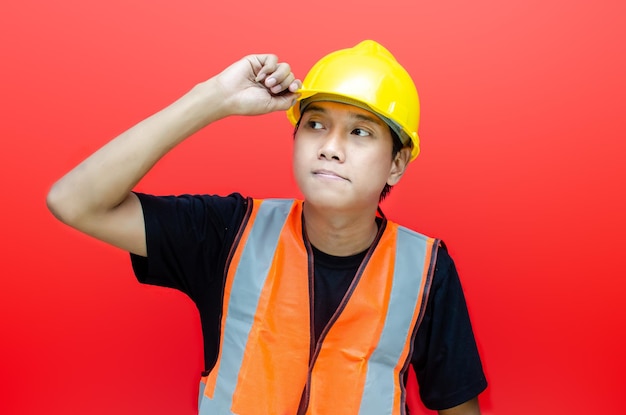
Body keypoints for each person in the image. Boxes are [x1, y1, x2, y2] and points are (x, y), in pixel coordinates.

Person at [47, 40, 487, 414]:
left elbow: (458, 406)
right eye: (315, 124)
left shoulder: (427, 269)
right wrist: (214, 97)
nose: (331, 147)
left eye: (360, 132)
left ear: (396, 164)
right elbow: (73, 202)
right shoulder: (228, 232)